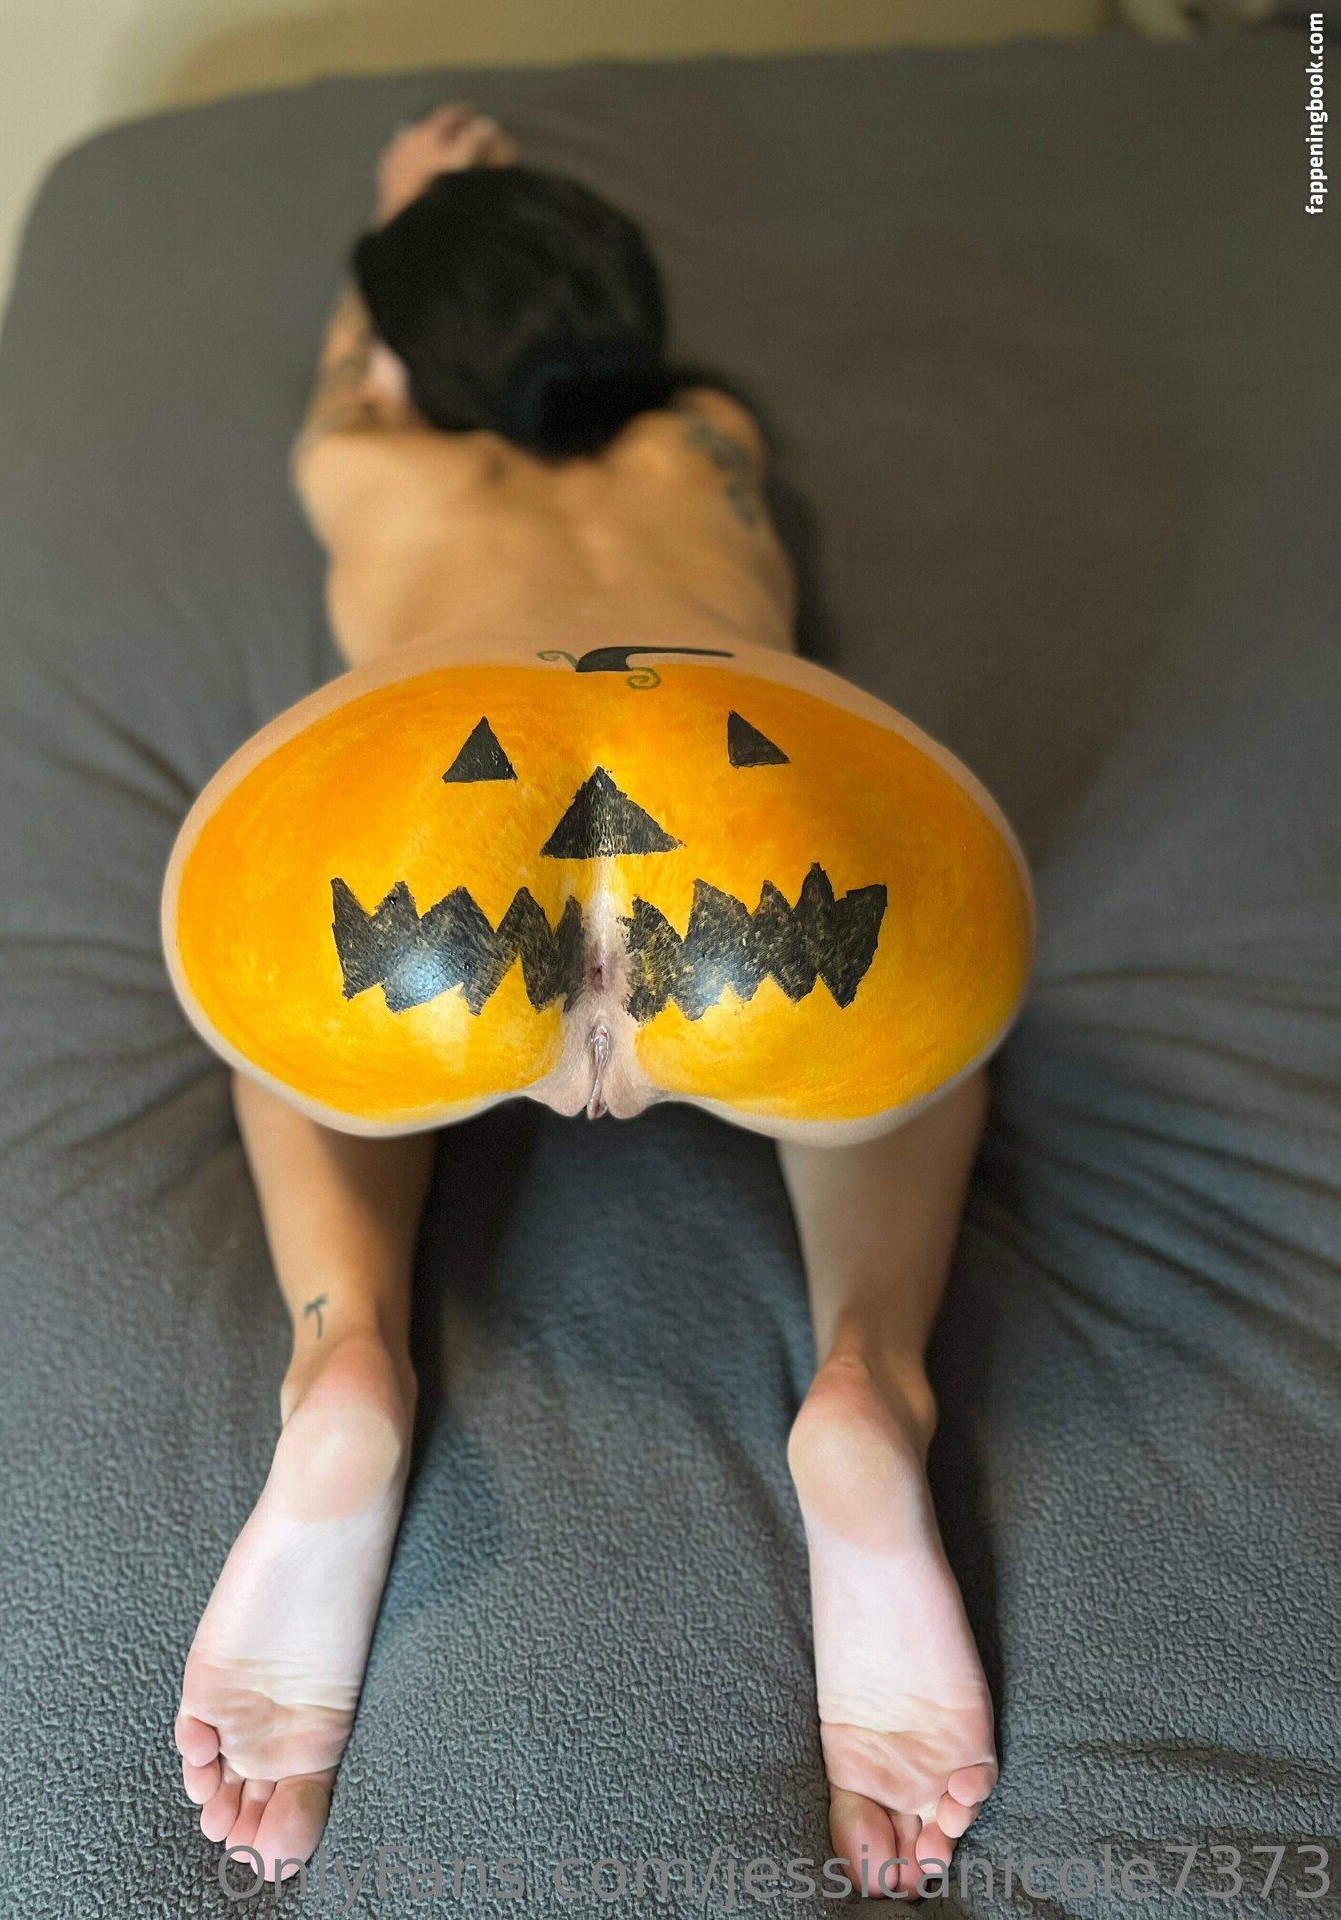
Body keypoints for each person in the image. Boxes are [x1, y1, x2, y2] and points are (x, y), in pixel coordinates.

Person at [172, 104, 1002, 1900]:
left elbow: (360, 362)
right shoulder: (707, 436)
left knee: (292, 1030)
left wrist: (399, 219)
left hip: (445, 819)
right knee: (902, 1044)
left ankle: (346, 1360)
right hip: (744, 794)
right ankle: (868, 1387)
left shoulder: (361, 450)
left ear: (406, 367)